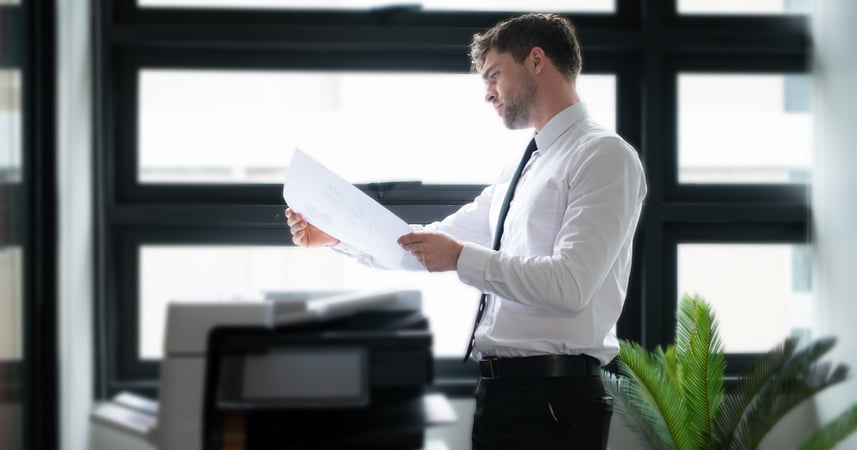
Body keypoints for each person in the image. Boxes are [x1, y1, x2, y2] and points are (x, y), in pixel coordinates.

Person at [286, 12, 646, 450]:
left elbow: (570, 284)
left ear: (537, 60)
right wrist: (336, 236)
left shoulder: (603, 156)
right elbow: (423, 245)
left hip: (555, 399)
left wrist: (459, 258)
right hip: (500, 394)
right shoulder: (522, 167)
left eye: (494, 75)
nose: (488, 95)